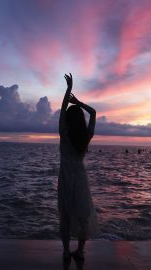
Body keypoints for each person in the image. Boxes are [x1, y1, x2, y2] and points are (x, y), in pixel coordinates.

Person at [58, 73, 97, 261]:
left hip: (65, 177)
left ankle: (66, 251)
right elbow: (94, 113)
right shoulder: (85, 136)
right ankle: (80, 250)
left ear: (67, 120)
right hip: (80, 177)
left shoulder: (63, 134)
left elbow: (62, 108)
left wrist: (68, 89)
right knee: (83, 215)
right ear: (80, 121)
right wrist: (80, 103)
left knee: (64, 214)